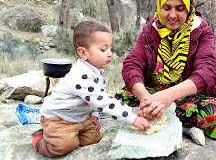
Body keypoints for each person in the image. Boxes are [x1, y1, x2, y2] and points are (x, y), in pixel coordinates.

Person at [115, 0, 216, 146]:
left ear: (188, 8)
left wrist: (167, 97)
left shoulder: (201, 32)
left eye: (180, 9)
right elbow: (132, 64)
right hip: (153, 93)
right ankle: (179, 124)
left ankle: (167, 122)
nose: (173, 15)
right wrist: (145, 98)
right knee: (119, 99)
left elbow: (210, 70)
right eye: (167, 8)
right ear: (160, 7)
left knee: (211, 112)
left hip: (186, 97)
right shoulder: (150, 31)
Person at [32, 21, 150, 157]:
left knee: (94, 138)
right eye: (103, 49)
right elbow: (104, 102)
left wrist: (94, 115)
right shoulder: (79, 76)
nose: (110, 53)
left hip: (80, 117)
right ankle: (40, 139)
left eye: (110, 48)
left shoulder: (96, 71)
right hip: (59, 118)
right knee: (63, 146)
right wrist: (132, 119)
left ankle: (72, 133)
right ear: (83, 53)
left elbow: (98, 95)